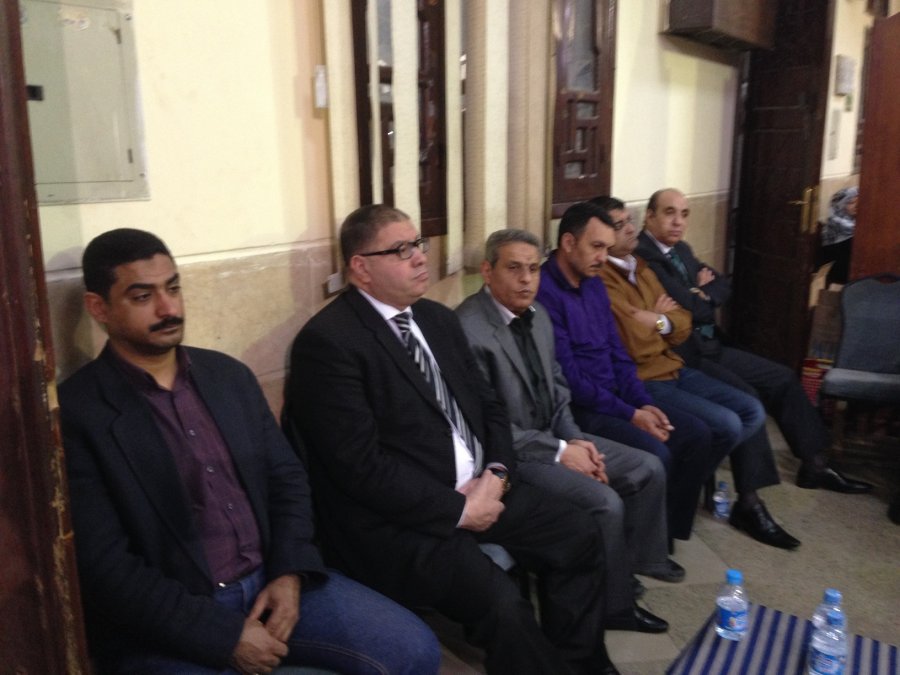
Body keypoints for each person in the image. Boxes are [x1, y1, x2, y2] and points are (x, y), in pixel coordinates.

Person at [59, 228, 442, 675]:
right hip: (177, 616)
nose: (168, 308)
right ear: (99, 307)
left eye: (173, 288)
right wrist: (223, 635)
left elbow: (287, 480)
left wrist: (289, 573)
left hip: (271, 582)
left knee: (414, 650)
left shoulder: (227, 377)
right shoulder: (80, 412)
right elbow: (105, 566)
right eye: (143, 297)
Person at [284, 205, 618, 675]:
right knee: (502, 604)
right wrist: (459, 509)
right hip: (405, 519)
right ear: (361, 268)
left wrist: (497, 474)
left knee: (578, 532)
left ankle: (581, 664)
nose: (421, 257)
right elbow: (359, 467)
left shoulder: (437, 319)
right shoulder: (329, 343)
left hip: (483, 487)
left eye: (418, 244)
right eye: (401, 250)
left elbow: (490, 408)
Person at [456, 229, 682, 636]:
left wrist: (577, 440)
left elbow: (559, 391)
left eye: (533, 269)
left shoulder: (539, 316)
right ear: (488, 272)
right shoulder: (469, 329)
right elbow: (489, 426)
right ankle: (615, 606)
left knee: (647, 467)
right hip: (513, 454)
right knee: (603, 501)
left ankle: (629, 567)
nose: (526, 279)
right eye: (514, 268)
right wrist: (562, 452)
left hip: (555, 435)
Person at [594, 195, 802, 551]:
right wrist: (666, 318)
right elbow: (634, 341)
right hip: (647, 374)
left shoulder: (642, 264)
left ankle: (696, 489)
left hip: (678, 358)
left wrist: (660, 319)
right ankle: (680, 499)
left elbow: (685, 319)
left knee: (751, 408)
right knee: (725, 424)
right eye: (620, 225)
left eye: (629, 220)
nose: (631, 229)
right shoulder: (606, 277)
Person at [634, 188, 871, 496]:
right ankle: (749, 500)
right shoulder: (645, 257)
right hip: (684, 354)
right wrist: (700, 294)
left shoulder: (681, 249)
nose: (678, 222)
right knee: (747, 398)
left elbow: (721, 285)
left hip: (711, 344)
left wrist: (702, 294)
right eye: (669, 213)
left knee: (783, 378)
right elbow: (694, 309)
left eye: (685, 214)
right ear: (649, 216)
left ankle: (815, 464)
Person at [534, 201, 723, 542]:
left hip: (618, 397)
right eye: (596, 246)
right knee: (656, 452)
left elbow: (617, 353)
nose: (603, 257)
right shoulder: (544, 293)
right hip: (582, 408)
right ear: (568, 243)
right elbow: (570, 378)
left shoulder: (593, 283)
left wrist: (642, 402)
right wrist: (631, 414)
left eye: (607, 248)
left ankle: (666, 536)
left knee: (696, 434)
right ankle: (640, 547)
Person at [819, 186, 859, 286]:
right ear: (840, 205)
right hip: (839, 276)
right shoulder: (834, 225)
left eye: (858, 201)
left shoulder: (860, 223)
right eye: (851, 202)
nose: (856, 206)